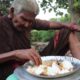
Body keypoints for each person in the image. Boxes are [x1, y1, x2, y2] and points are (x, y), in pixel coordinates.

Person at [0, 0, 80, 79]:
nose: (27, 24)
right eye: (23, 19)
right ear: (12, 11)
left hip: (34, 64)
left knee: (67, 32)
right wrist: (14, 54)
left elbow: (49, 24)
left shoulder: (29, 22)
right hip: (11, 72)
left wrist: (68, 26)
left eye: (30, 21)